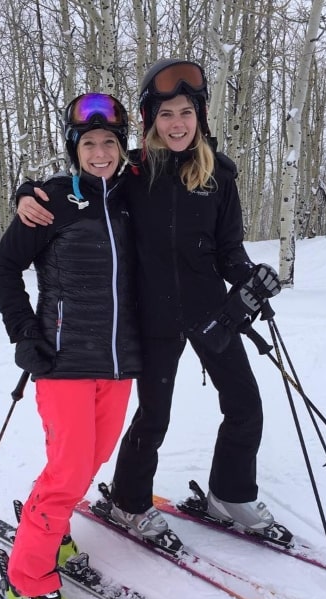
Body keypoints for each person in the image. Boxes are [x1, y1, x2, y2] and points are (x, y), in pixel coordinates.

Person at [16, 59, 282, 544]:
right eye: (165, 115)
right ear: (149, 121)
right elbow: (82, 181)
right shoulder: (133, 171)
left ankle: (231, 493)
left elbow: (229, 250)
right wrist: (26, 194)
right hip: (152, 315)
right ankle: (128, 500)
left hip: (208, 314)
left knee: (245, 403)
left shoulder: (220, 174)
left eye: (185, 111)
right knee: (153, 415)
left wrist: (251, 281)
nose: (176, 123)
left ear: (199, 115)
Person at [0, 93, 141, 599]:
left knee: (91, 458)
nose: (100, 153)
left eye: (109, 143)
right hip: (63, 361)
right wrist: (24, 333)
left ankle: (50, 526)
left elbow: (188, 155)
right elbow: (5, 266)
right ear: (73, 148)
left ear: (123, 147)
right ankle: (27, 579)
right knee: (69, 470)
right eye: (89, 144)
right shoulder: (51, 199)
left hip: (120, 362)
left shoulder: (134, 193)